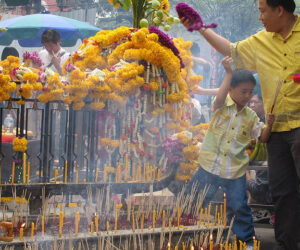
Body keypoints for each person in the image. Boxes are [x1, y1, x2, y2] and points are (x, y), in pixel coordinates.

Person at [180, 0, 300, 248]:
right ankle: (287, 244)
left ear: (280, 10)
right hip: (276, 129)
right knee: (282, 191)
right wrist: (201, 27)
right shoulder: (262, 40)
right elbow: (231, 49)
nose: (260, 18)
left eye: (263, 11)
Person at [185, 56, 274, 247]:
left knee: (239, 207)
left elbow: (263, 137)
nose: (247, 96)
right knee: (192, 202)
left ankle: (247, 242)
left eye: (250, 92)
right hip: (208, 168)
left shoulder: (251, 117)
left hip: (234, 173)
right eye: (243, 91)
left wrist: (270, 124)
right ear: (230, 90)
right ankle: (182, 234)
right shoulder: (220, 106)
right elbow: (219, 95)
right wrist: (228, 73)